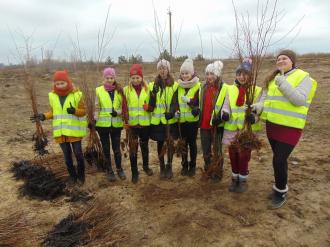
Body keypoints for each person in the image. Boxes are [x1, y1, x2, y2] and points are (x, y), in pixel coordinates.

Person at [253, 49, 317, 209]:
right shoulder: (273, 78)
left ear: (292, 61)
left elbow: (299, 100)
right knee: (278, 159)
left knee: (279, 159)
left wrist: (283, 83)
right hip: (273, 125)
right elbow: (267, 100)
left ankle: (281, 191)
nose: (280, 61)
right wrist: (259, 106)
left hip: (291, 127)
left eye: (285, 58)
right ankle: (279, 186)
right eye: (278, 59)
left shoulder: (304, 77)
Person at [30, 70, 87, 184]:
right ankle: (73, 177)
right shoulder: (52, 96)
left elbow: (83, 111)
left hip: (74, 132)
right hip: (61, 133)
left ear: (67, 82)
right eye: (57, 84)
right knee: (67, 158)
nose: (60, 86)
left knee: (79, 155)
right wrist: (44, 116)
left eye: (62, 83)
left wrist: (74, 111)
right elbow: (53, 112)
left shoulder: (77, 94)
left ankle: (81, 177)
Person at [220, 59, 262, 192]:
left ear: (250, 75)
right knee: (233, 155)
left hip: (246, 130)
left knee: (244, 155)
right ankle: (234, 179)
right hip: (232, 129)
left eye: (245, 74)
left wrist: (254, 118)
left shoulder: (256, 90)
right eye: (239, 74)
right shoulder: (230, 89)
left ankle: (243, 180)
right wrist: (224, 114)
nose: (241, 77)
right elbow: (226, 105)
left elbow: (261, 109)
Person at [93, 67, 127, 182]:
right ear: (104, 78)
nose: (109, 80)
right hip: (103, 126)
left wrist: (117, 113)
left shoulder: (119, 90)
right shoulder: (99, 90)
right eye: (107, 78)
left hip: (116, 125)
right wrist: (95, 120)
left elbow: (124, 108)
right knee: (106, 149)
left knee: (116, 149)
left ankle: (119, 169)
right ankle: (109, 171)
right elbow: (97, 107)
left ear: (114, 78)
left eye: (111, 77)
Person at [168, 58, 201, 177]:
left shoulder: (198, 86)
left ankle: (192, 166)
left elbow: (198, 102)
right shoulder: (179, 87)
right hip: (181, 122)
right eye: (182, 73)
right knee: (183, 144)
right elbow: (174, 102)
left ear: (192, 73)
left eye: (187, 73)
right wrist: (174, 112)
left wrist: (193, 105)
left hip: (192, 122)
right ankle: (184, 166)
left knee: (192, 144)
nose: (184, 75)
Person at [148, 59, 179, 179]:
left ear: (168, 70)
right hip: (158, 121)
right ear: (158, 70)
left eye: (164, 68)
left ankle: (169, 166)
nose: (162, 70)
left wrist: (171, 112)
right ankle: (161, 167)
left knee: (170, 143)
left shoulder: (174, 85)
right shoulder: (153, 85)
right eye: (160, 68)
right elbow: (151, 105)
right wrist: (153, 94)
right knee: (160, 144)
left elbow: (175, 102)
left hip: (170, 121)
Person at [124, 64, 153, 183]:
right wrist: (125, 121)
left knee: (145, 147)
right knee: (133, 149)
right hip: (132, 125)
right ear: (130, 79)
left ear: (142, 77)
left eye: (138, 77)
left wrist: (149, 107)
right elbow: (124, 107)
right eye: (133, 78)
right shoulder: (126, 90)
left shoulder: (148, 89)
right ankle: (134, 172)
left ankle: (146, 167)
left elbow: (153, 104)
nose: (135, 80)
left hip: (145, 124)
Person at [200, 60, 227, 181]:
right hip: (204, 124)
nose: (209, 76)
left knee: (217, 149)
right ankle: (208, 169)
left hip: (217, 125)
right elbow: (200, 103)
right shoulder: (203, 87)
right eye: (207, 74)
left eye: (212, 74)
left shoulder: (222, 88)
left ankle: (217, 171)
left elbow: (226, 105)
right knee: (206, 149)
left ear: (217, 75)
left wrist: (220, 118)